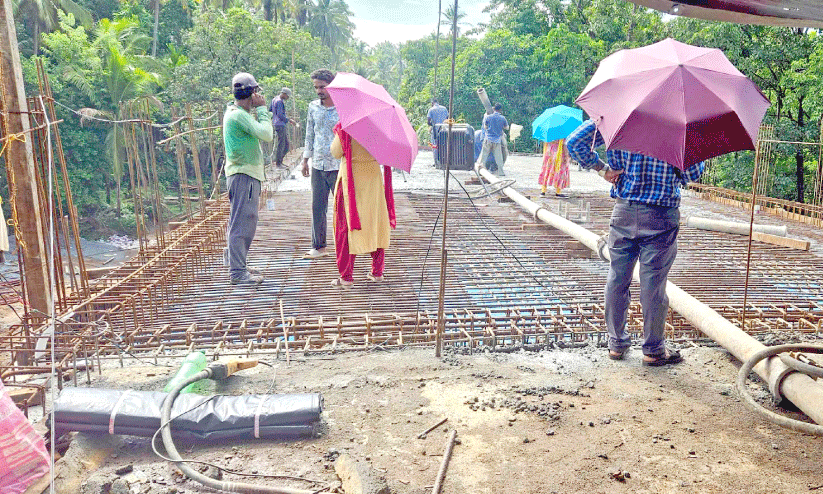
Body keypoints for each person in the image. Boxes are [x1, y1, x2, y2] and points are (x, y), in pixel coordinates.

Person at [566, 119, 704, 366]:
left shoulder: (618, 117)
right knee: (653, 283)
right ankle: (653, 350)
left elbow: (574, 142)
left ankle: (616, 345)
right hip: (662, 214)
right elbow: (692, 175)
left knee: (618, 277)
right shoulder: (678, 124)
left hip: (624, 211)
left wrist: (601, 168)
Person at [329, 124, 395, 288]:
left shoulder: (348, 124)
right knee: (376, 222)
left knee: (347, 227)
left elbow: (336, 152)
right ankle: (377, 272)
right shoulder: (381, 126)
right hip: (373, 179)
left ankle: (346, 277)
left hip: (351, 181)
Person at [223, 72, 273, 285]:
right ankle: (237, 272)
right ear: (252, 93)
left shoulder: (236, 113)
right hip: (243, 175)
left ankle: (237, 263)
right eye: (257, 93)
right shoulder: (239, 115)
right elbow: (267, 134)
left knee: (240, 221)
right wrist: (262, 110)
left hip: (243, 173)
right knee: (243, 224)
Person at [301, 69, 340, 259]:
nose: (319, 91)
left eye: (322, 87)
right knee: (318, 206)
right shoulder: (313, 107)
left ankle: (347, 245)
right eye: (316, 87)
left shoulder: (343, 108)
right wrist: (305, 159)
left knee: (342, 207)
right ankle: (319, 246)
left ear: (331, 86)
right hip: (318, 163)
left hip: (339, 165)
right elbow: (310, 133)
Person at [475, 103, 509, 175]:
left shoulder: (488, 117)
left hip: (488, 139)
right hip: (497, 141)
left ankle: (479, 171)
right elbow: (507, 128)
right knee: (499, 157)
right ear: (500, 110)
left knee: (483, 157)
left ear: (494, 109)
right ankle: (501, 172)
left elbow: (485, 127)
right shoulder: (503, 118)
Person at [270, 87, 297, 168]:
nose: (288, 98)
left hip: (276, 123)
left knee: (284, 144)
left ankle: (279, 162)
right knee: (283, 144)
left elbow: (270, 110)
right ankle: (278, 163)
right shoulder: (279, 101)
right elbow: (280, 115)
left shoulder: (274, 99)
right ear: (284, 94)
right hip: (280, 124)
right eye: (287, 96)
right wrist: (289, 120)